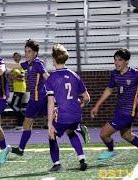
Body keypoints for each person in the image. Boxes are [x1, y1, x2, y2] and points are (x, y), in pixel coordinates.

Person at [46, 43, 90, 172]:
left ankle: (57, 164)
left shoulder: (52, 78)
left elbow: (50, 103)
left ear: (54, 60)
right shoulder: (74, 75)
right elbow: (87, 97)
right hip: (76, 115)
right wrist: (79, 106)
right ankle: (82, 160)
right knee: (71, 131)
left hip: (63, 116)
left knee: (52, 135)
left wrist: (49, 124)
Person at [91, 48, 138, 161]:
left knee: (103, 133)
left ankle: (111, 151)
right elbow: (109, 90)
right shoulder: (114, 74)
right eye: (115, 60)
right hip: (119, 110)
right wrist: (97, 106)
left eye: (120, 60)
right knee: (126, 135)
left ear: (126, 61)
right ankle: (110, 151)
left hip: (127, 112)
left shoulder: (135, 74)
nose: (117, 62)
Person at [6, 39, 50, 156]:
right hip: (38, 97)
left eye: (29, 51)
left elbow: (46, 76)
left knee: (28, 123)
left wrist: (57, 87)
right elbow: (17, 65)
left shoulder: (37, 63)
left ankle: (21, 149)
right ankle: (77, 129)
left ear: (35, 53)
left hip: (37, 98)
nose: (26, 54)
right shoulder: (29, 63)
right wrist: (1, 63)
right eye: (25, 51)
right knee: (49, 122)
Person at [8, 52, 26, 131]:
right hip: (16, 89)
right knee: (16, 106)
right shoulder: (14, 68)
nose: (15, 58)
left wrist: (14, 77)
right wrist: (14, 76)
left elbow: (21, 77)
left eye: (17, 57)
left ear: (20, 58)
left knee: (13, 105)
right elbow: (9, 77)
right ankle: (20, 125)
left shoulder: (20, 66)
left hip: (20, 89)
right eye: (14, 57)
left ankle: (23, 119)